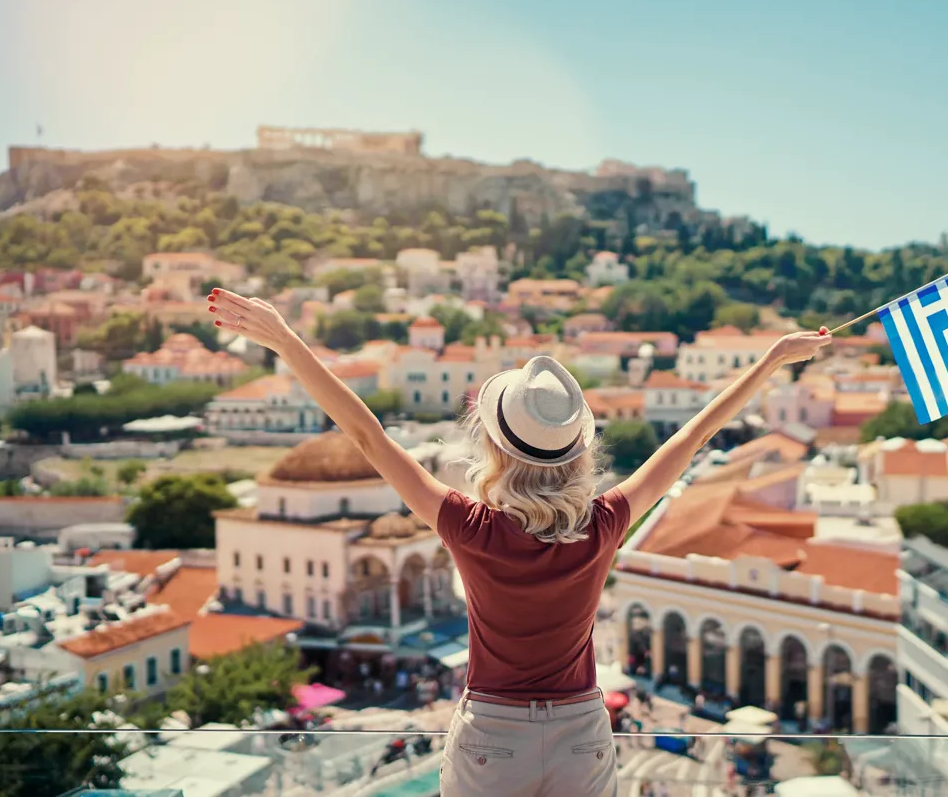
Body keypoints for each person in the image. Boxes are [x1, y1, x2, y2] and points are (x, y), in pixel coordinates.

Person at [206, 288, 829, 797]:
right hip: (583, 729)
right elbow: (692, 438)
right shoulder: (604, 523)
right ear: (577, 452)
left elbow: (367, 436)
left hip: (492, 733)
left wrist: (287, 341)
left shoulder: (470, 527)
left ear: (496, 446)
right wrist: (769, 361)